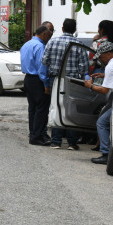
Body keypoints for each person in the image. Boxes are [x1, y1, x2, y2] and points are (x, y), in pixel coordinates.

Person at [42, 18, 89, 150]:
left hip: (55, 79)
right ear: (74, 30)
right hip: (72, 82)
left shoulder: (52, 41)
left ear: (62, 28)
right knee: (70, 109)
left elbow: (44, 61)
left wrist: (55, 65)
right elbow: (83, 67)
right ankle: (71, 142)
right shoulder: (79, 45)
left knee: (56, 107)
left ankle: (56, 141)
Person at [21, 25, 53, 146]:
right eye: (48, 35)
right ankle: (36, 136)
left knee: (33, 108)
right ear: (43, 34)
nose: (49, 38)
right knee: (41, 109)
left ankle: (33, 133)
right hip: (37, 80)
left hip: (28, 79)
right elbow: (42, 67)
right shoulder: (40, 46)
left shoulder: (27, 44)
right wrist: (46, 84)